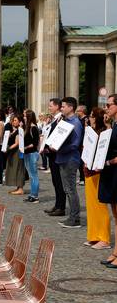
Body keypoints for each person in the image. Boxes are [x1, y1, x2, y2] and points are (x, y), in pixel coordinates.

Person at [83, 107, 111, 249]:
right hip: (88, 170)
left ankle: (104, 238)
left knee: (100, 206)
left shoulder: (104, 132)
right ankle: (94, 235)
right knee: (91, 206)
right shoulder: (91, 132)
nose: (90, 118)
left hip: (98, 171)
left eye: (92, 116)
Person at [53, 97, 83, 228]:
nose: (61, 108)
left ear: (71, 108)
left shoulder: (75, 123)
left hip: (70, 159)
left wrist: (58, 148)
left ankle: (75, 218)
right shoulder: (65, 121)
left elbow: (75, 144)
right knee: (67, 189)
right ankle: (73, 216)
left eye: (63, 106)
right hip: (63, 158)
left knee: (70, 189)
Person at [98, 94, 117, 269]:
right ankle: (116, 252)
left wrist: (110, 161)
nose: (106, 108)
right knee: (116, 215)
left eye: (109, 105)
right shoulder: (114, 125)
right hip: (111, 172)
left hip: (115, 170)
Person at [44, 98, 66, 217]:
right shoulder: (54, 120)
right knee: (55, 181)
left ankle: (61, 207)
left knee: (59, 181)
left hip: (56, 153)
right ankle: (57, 205)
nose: (49, 108)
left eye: (51, 106)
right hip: (51, 153)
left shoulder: (61, 119)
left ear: (57, 106)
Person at [4, 114, 25, 195]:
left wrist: (8, 149)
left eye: (15, 120)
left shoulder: (20, 130)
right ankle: (18, 187)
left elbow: (17, 143)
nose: (13, 122)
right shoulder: (15, 130)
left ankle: (20, 188)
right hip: (13, 152)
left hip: (17, 152)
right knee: (15, 169)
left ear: (20, 121)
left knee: (19, 168)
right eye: (13, 120)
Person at [23, 109, 40, 203]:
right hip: (27, 153)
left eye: (25, 116)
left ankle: (35, 196)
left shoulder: (33, 128)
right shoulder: (27, 127)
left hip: (32, 153)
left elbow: (34, 143)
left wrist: (25, 147)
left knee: (34, 175)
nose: (24, 117)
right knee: (31, 175)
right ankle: (32, 194)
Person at [76, 104, 89, 185]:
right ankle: (81, 177)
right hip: (79, 143)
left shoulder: (86, 119)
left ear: (82, 111)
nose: (76, 112)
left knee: (82, 162)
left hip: (83, 144)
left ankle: (83, 179)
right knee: (79, 162)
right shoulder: (79, 119)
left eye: (78, 111)